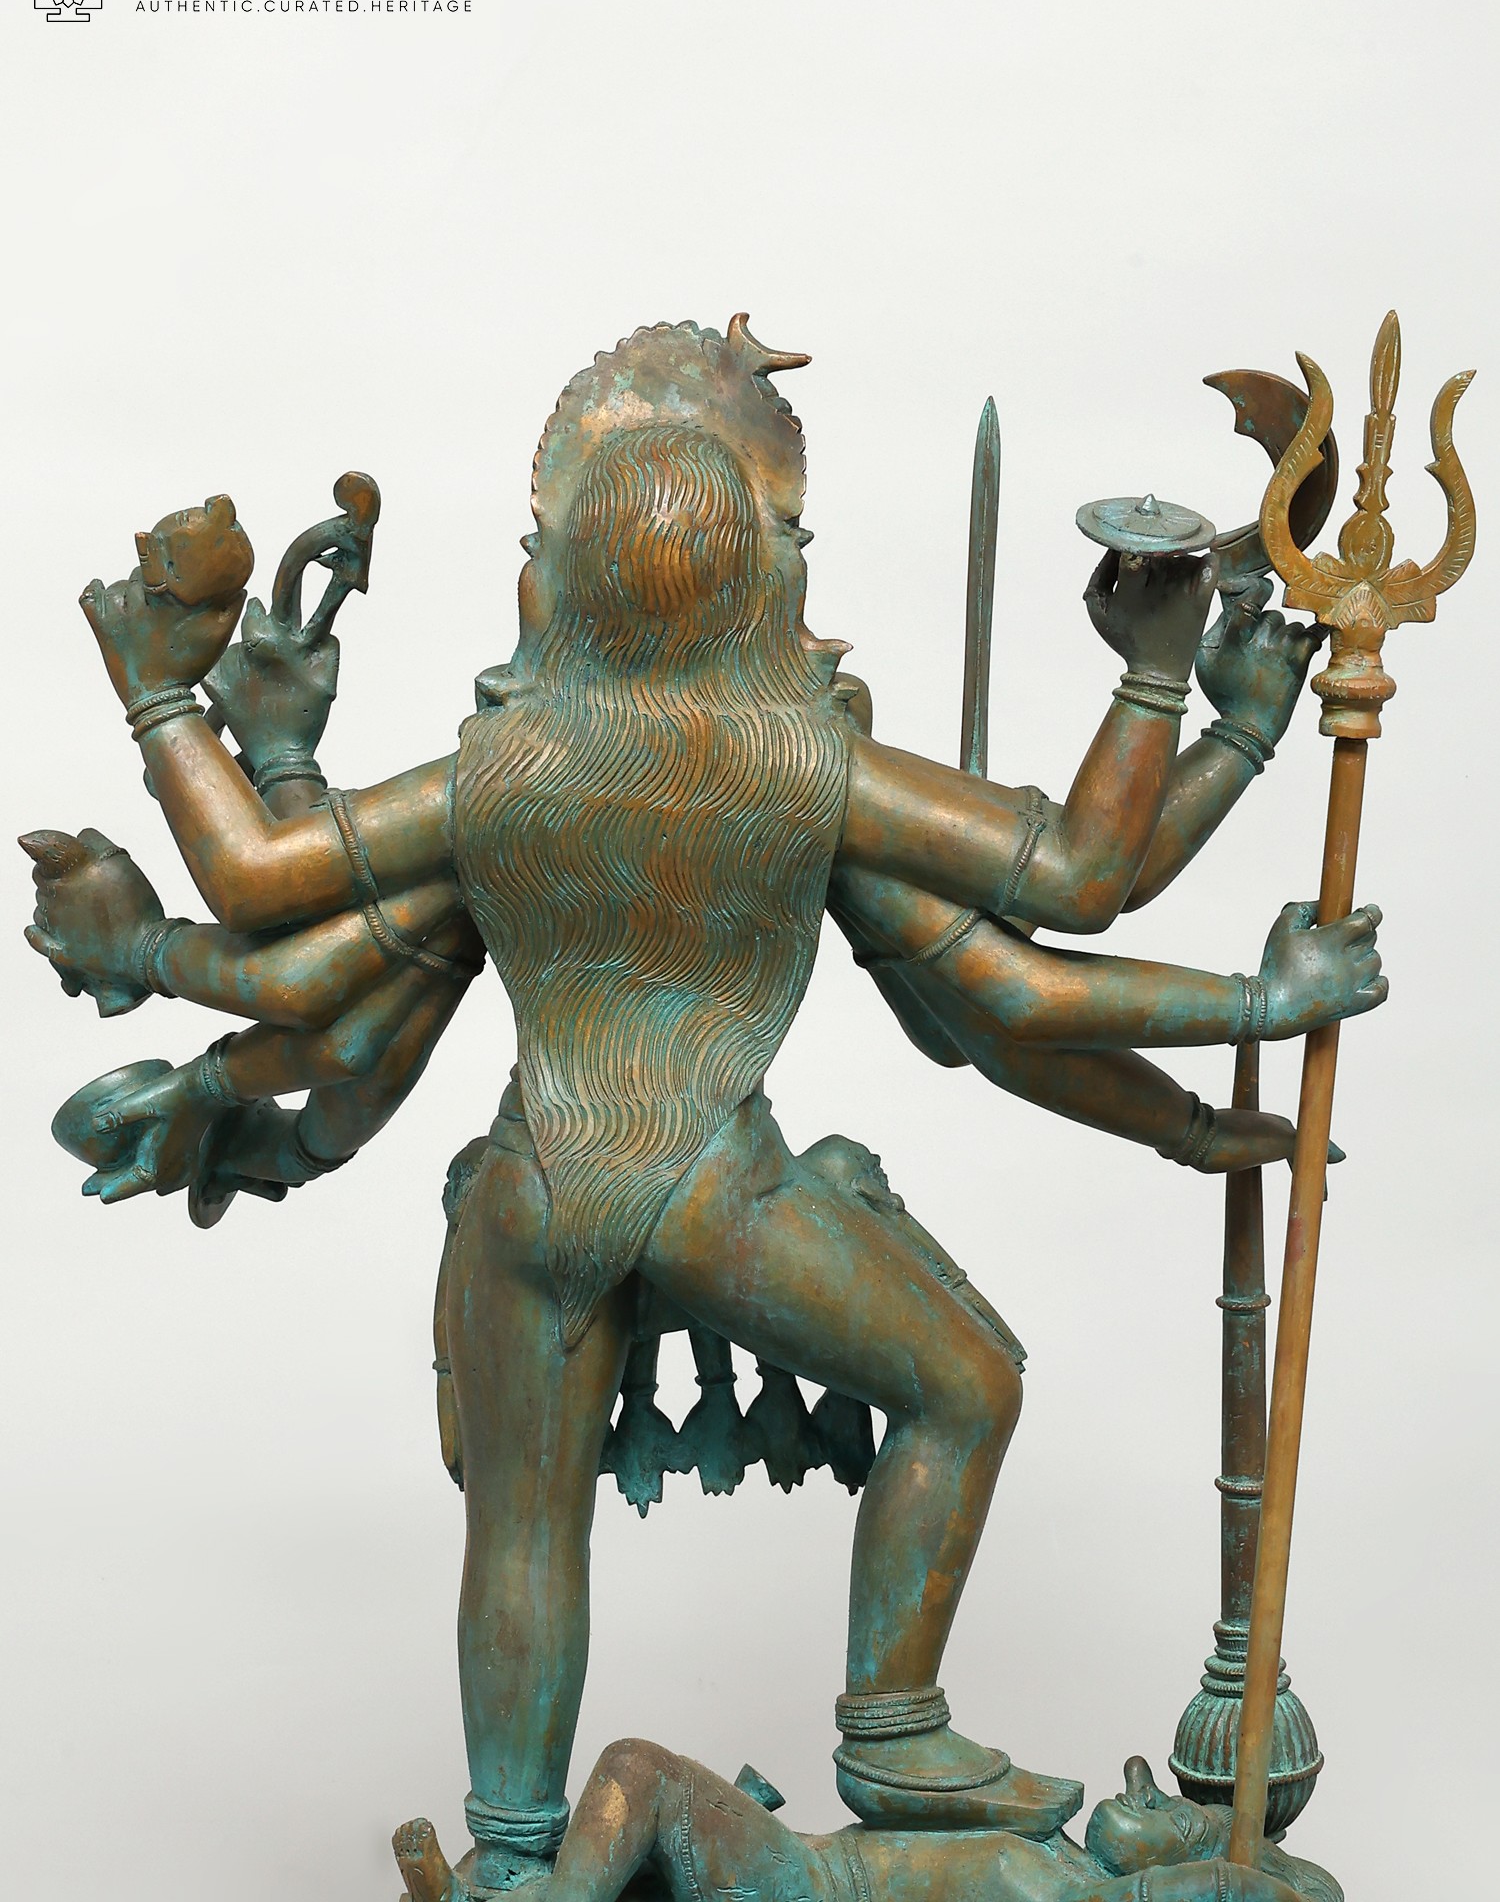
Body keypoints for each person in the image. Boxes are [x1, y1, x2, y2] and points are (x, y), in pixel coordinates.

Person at [25, 316, 1384, 1889]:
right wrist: (1181, 703)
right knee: (965, 1386)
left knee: (523, 1536)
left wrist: (167, 703)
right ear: (766, 580)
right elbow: (1066, 905)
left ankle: (517, 1857)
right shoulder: (804, 766)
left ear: (557, 580)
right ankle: (893, 1726)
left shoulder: (499, 772)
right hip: (715, 1192)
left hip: (528, 1194)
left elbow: (266, 891)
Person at [392, 1741, 1342, 1902]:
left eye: (1172, 1816)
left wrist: (1248, 1872)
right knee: (593, 1853)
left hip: (804, 1887)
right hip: (799, 1861)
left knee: (637, 1770)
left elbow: (1236, 1889)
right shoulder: (1046, 1848)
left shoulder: (1067, 1894)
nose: (1137, 1782)